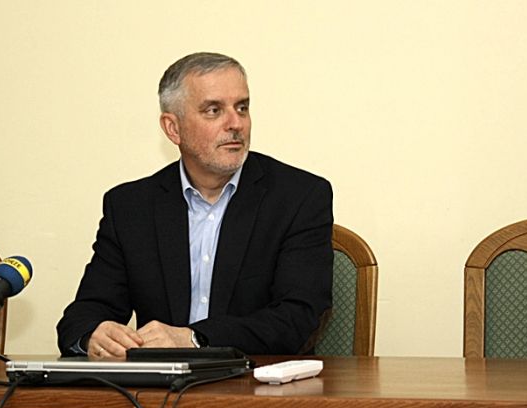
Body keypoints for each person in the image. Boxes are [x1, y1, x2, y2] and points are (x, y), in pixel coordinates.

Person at [57, 52, 333, 361]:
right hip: (157, 388)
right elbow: (83, 315)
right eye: (214, 110)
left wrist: (194, 338)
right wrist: (95, 335)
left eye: (242, 108)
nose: (236, 124)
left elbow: (298, 318)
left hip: (256, 383)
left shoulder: (299, 197)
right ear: (172, 128)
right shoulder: (131, 207)